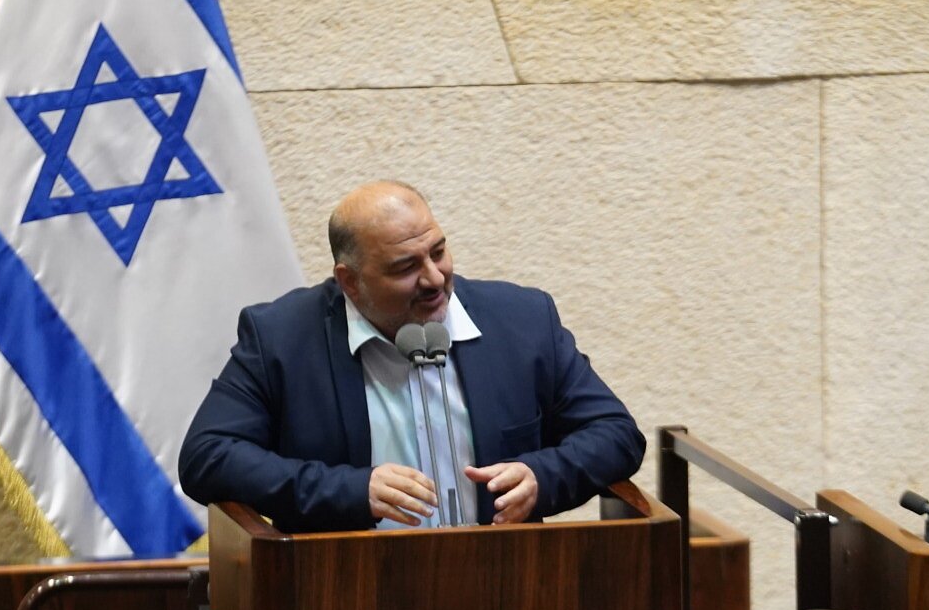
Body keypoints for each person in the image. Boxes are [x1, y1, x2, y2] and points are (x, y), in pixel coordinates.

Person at [179, 180, 643, 531]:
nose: (434, 279)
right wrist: (350, 490)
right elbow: (207, 457)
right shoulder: (281, 337)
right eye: (405, 267)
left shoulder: (522, 320)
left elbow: (617, 435)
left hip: (507, 589)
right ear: (350, 281)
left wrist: (541, 475)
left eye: (437, 252)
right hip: (344, 597)